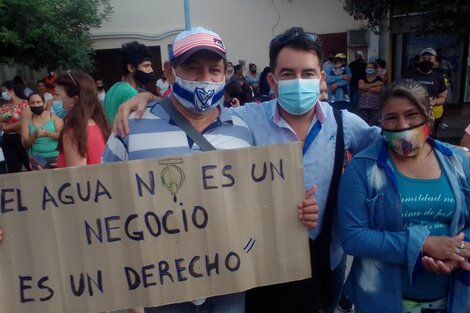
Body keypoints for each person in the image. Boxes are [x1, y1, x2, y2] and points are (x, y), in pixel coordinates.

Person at [115, 26, 379, 313]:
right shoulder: (246, 119)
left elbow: (383, 148)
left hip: (325, 254)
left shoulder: (344, 123)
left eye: (308, 73)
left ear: (321, 78)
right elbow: (195, 116)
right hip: (259, 259)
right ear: (272, 80)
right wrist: (150, 102)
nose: (298, 82)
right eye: (288, 74)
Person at [338, 79, 470, 313]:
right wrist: (423, 245)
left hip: (451, 299)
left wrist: (457, 251)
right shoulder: (362, 168)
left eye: (412, 115)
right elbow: (352, 237)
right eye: (391, 118)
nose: (402, 125)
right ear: (380, 121)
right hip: (381, 300)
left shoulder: (457, 162)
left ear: (428, 115)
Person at [55, 71, 111, 167]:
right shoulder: (100, 125)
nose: (54, 99)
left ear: (74, 99)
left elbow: (79, 177)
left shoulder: (73, 133)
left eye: (57, 94)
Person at [103, 41, 154, 124]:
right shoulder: (131, 93)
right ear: (131, 68)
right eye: (146, 65)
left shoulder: (113, 88)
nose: (150, 70)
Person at [404, 48, 447, 137]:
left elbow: (443, 97)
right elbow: (400, 93)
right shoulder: (409, 74)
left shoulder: (438, 77)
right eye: (424, 58)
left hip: (431, 116)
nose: (426, 61)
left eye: (430, 59)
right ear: (419, 60)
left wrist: (433, 102)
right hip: (412, 114)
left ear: (434, 61)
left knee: (429, 138)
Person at [21, 93, 63, 169]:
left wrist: (47, 133)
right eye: (32, 103)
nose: (36, 105)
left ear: (44, 103)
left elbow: (62, 136)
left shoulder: (53, 116)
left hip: (56, 156)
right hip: (38, 160)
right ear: (29, 105)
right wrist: (34, 136)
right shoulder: (26, 121)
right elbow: (25, 143)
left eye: (38, 102)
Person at [0, 80, 31, 172]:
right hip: (8, 139)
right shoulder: (4, 106)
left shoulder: (25, 103)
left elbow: (24, 121)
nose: (3, 93)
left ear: (12, 91)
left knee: (29, 165)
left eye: (4, 91)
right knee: (13, 167)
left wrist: (7, 127)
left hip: (22, 137)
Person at [357, 61, 383, 126]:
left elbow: (378, 90)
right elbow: (360, 87)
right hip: (363, 105)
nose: (369, 69)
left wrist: (365, 88)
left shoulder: (379, 79)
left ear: (375, 69)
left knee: (375, 123)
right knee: (364, 124)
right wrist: (375, 84)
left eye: (371, 67)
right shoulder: (362, 78)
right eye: (367, 67)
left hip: (375, 106)